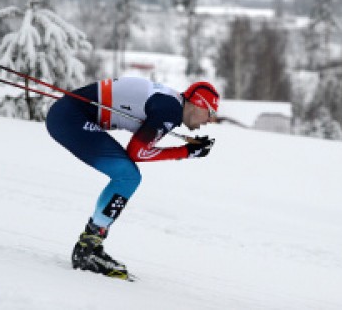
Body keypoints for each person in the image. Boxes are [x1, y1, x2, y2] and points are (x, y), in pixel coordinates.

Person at [45, 77, 219, 280]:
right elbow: (138, 152)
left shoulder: (171, 105)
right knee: (127, 176)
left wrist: (187, 150)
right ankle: (88, 249)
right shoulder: (169, 110)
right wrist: (186, 152)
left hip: (68, 114)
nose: (210, 121)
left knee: (128, 175)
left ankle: (90, 245)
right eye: (210, 113)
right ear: (197, 103)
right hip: (70, 118)